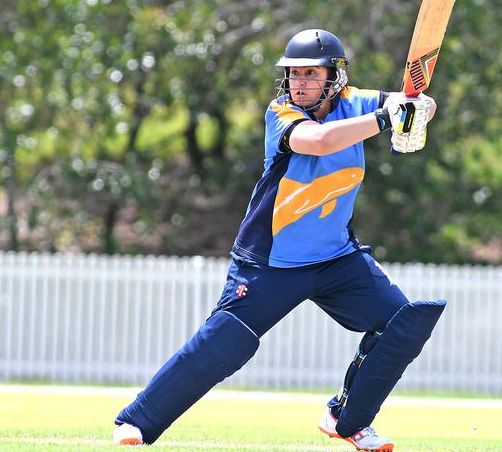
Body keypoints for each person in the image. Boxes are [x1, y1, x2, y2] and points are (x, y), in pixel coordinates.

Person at [112, 29, 446, 452]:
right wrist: (386, 119)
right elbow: (321, 142)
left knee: (402, 324)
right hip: (271, 262)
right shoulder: (281, 113)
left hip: (337, 260)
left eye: (311, 73)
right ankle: (136, 422)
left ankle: (349, 420)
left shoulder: (356, 101)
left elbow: (419, 104)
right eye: (293, 74)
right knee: (225, 343)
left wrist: (417, 108)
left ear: (335, 76)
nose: (300, 82)